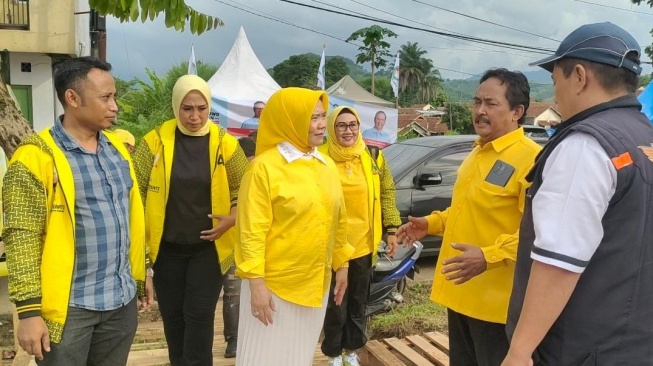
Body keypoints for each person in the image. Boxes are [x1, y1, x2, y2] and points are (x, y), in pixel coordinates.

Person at [503, 22, 653, 366]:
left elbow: (559, 262)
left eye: (556, 82)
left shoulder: (584, 146)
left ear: (580, 76)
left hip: (582, 348)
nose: (556, 96)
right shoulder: (645, 136)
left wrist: (520, 350)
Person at [2, 56, 152, 365]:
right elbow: (21, 237)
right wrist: (29, 312)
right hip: (69, 309)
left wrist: (143, 271)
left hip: (119, 303)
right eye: (105, 97)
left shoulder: (117, 151)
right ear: (72, 98)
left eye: (114, 97)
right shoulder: (35, 158)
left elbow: (131, 218)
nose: (115, 106)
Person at [397, 68, 541, 366]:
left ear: (517, 111)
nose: (480, 111)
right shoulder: (476, 153)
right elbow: (468, 210)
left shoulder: (532, 159)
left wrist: (488, 256)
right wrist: (430, 224)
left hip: (498, 306)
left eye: (490, 103)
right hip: (461, 295)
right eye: (476, 102)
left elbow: (538, 233)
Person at [133, 74, 248, 365]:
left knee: (198, 316)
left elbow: (244, 187)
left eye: (201, 108)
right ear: (176, 106)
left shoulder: (225, 144)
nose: (195, 116)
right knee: (173, 317)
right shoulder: (154, 142)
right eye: (187, 108)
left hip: (208, 249)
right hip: (166, 248)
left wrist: (232, 218)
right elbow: (135, 191)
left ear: (209, 107)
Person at [235, 87, 355, 366]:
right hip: (274, 288)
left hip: (315, 283)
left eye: (323, 116)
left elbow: (338, 218)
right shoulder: (264, 168)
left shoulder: (325, 164)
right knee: (264, 359)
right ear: (290, 119)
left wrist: (343, 264)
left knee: (298, 357)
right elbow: (251, 231)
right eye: (313, 117)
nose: (321, 124)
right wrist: (256, 284)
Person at [320, 106, 402, 366]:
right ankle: (333, 352)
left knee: (358, 301)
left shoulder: (373, 156)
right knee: (335, 303)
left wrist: (390, 230)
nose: (348, 130)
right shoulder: (320, 158)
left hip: (364, 243)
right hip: (333, 246)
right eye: (341, 125)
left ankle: (351, 350)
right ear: (332, 128)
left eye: (353, 124)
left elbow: (387, 192)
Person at [221, 137, 256, 359]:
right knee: (233, 293)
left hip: (252, 243)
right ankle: (233, 340)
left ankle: (244, 340)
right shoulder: (227, 177)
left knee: (242, 293)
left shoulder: (260, 173)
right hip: (231, 242)